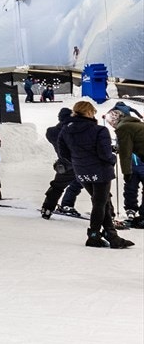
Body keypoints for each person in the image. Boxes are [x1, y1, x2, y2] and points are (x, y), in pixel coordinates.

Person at [61, 101, 133, 249]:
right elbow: (105, 154)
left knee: (102, 201)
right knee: (100, 203)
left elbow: (64, 152)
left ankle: (111, 236)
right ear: (89, 112)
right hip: (100, 172)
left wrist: (78, 161)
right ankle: (94, 236)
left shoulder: (66, 130)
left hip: (81, 171)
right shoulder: (99, 130)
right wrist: (112, 159)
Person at [40, 107, 84, 218]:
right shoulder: (75, 130)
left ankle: (47, 208)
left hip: (64, 165)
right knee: (96, 188)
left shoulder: (52, 132)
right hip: (81, 163)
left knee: (56, 187)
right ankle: (107, 213)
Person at [110, 106, 143, 228]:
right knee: (130, 188)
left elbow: (126, 150)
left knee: (131, 186)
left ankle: (137, 212)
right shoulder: (131, 127)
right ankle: (131, 208)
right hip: (133, 164)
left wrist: (126, 171)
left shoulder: (125, 128)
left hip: (137, 163)